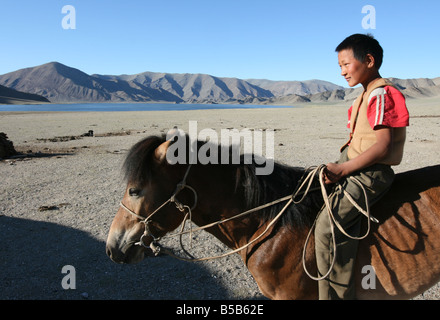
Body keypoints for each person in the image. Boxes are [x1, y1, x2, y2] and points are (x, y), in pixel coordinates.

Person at [314, 33, 409, 299]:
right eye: (339, 67)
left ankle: (337, 296)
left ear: (369, 60)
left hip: (371, 174)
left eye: (346, 64)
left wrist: (343, 170)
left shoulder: (380, 94)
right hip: (356, 165)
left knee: (328, 227)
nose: (342, 72)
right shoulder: (365, 94)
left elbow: (383, 147)